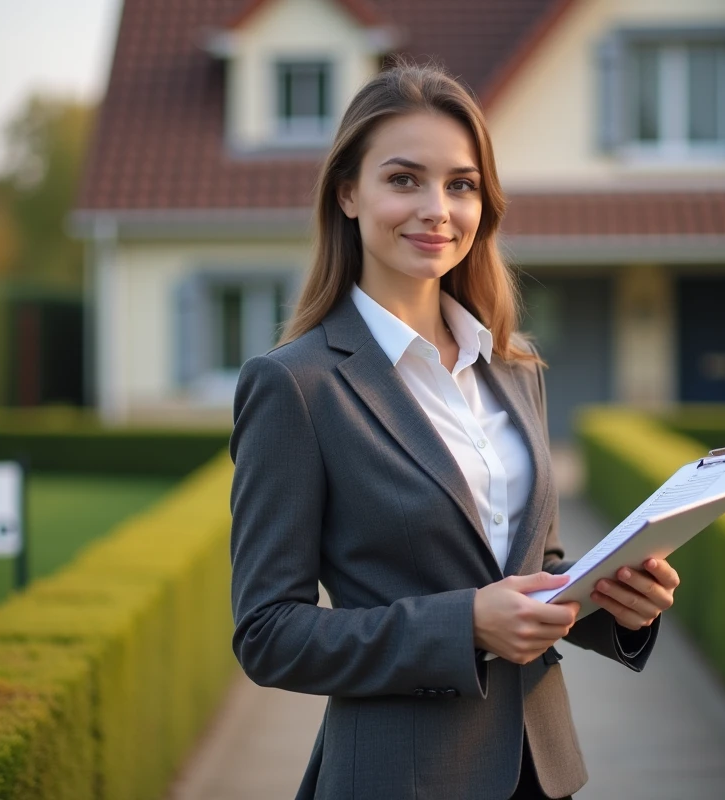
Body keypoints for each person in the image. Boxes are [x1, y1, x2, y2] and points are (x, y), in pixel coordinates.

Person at [228, 62, 681, 800]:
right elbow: (268, 634)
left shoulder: (514, 369)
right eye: (404, 179)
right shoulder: (295, 387)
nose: (437, 208)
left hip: (543, 769)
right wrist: (464, 623)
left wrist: (617, 601)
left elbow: (541, 563)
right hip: (399, 780)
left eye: (461, 184)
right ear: (348, 193)